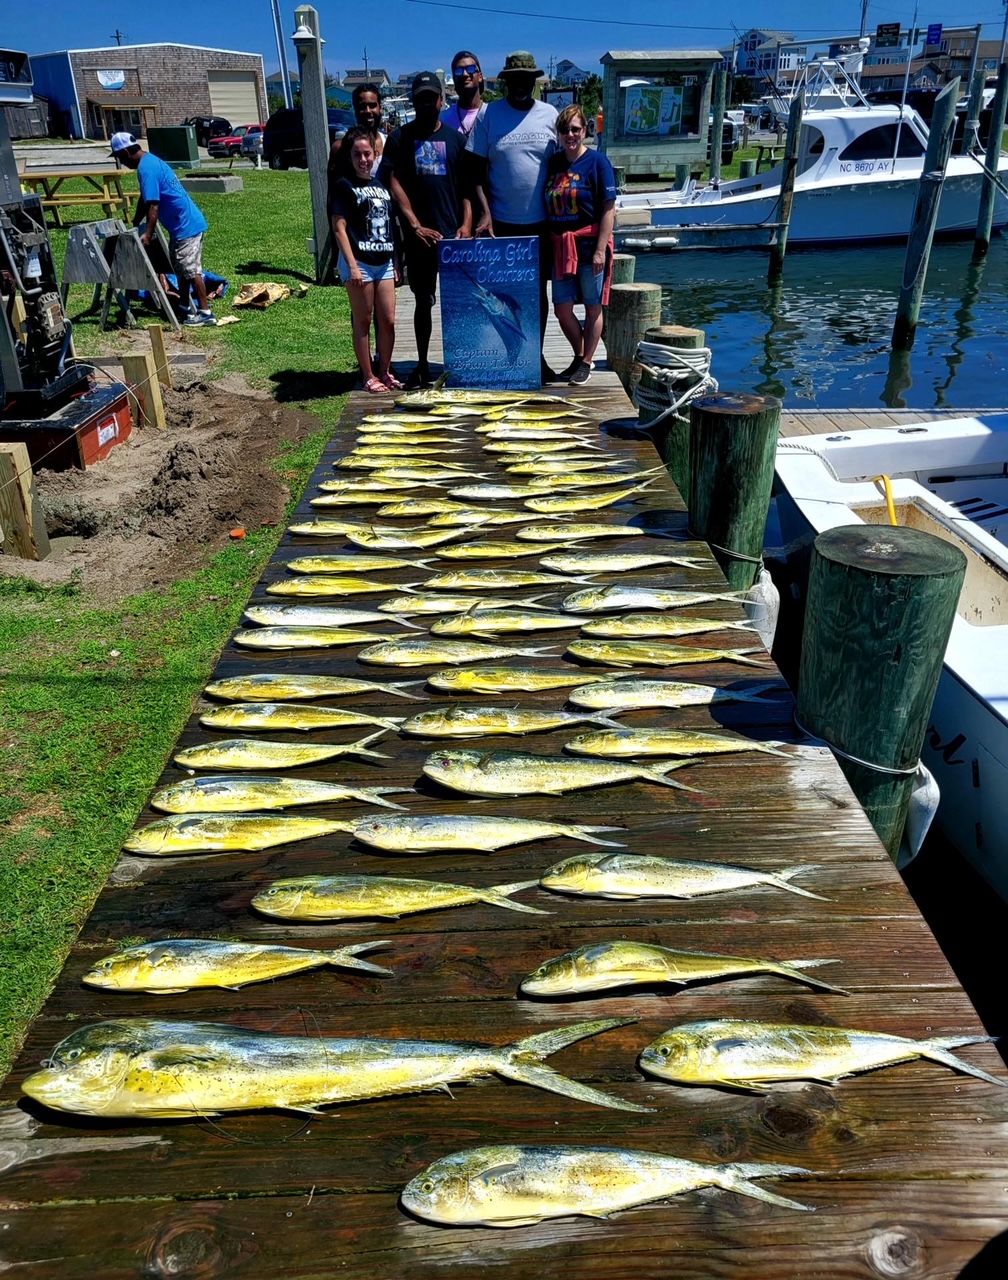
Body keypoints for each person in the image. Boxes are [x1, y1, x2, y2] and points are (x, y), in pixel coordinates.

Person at [466, 51, 558, 382]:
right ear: (506, 82)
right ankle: (505, 356)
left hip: (542, 223)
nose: (521, 85)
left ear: (534, 82)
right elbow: (473, 172)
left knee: (539, 296)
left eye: (527, 80)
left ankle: (537, 356)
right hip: (501, 225)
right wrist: (484, 214)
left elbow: (564, 166)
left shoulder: (550, 114)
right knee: (506, 296)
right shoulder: (489, 116)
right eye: (515, 80)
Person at [382, 71, 471, 390]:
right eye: (419, 98)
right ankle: (421, 364)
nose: (425, 103)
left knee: (460, 303)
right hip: (419, 239)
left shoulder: (456, 139)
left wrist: (465, 224)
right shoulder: (400, 138)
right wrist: (414, 224)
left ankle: (462, 364)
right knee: (424, 300)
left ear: (440, 99)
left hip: (452, 238)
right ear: (413, 101)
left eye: (430, 97)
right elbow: (391, 180)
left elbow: (467, 188)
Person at [110, 131, 216, 326]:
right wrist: (136, 221)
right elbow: (145, 198)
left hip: (187, 225)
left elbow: (153, 205)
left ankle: (205, 313)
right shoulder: (150, 161)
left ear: (125, 152)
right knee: (180, 269)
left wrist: (147, 235)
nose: (122, 163)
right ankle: (184, 306)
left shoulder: (146, 169)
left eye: (119, 158)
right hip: (180, 226)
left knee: (192, 271)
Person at [545, 103, 617, 386]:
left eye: (575, 129)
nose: (570, 134)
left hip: (589, 245)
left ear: (585, 130)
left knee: (592, 306)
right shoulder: (553, 162)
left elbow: (609, 208)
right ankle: (579, 355)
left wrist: (601, 249)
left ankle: (587, 361)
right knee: (562, 308)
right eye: (565, 130)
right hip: (562, 247)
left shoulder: (598, 162)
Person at [329, 126, 399, 393]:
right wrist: (353, 266)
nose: (363, 159)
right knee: (363, 319)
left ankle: (385, 370)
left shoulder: (380, 185)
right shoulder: (344, 186)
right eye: (357, 154)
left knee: (388, 320)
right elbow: (339, 227)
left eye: (367, 154)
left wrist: (395, 263)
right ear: (350, 157)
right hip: (360, 263)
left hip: (384, 262)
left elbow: (390, 226)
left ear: (374, 154)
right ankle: (368, 374)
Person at [443, 52, 484, 139]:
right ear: (454, 78)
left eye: (471, 69)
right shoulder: (443, 119)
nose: (465, 74)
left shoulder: (492, 115)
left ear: (480, 76)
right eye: (459, 71)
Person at [352, 83, 386, 174]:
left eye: (372, 105)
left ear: (380, 108)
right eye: (362, 106)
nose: (368, 111)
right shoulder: (342, 148)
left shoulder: (390, 144)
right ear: (355, 110)